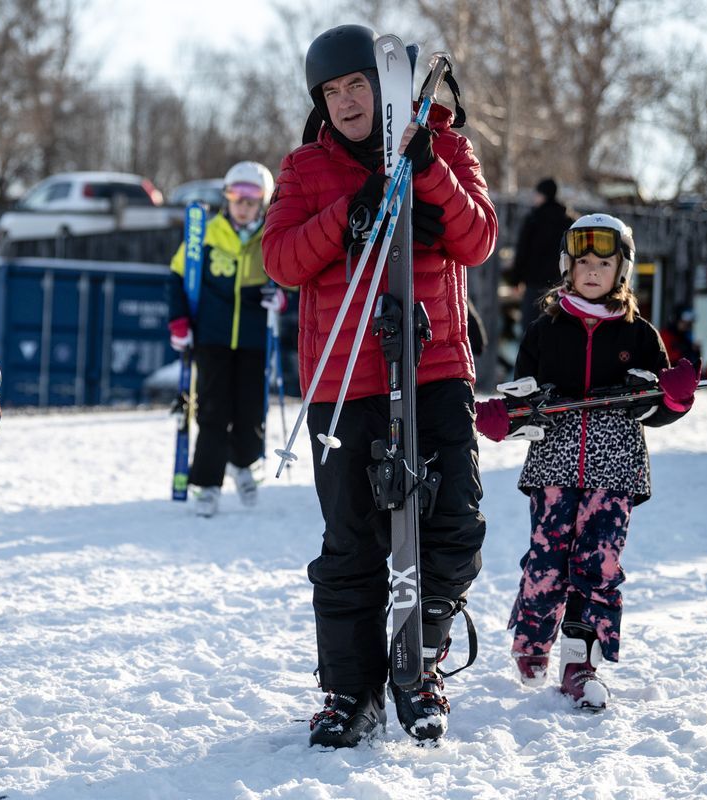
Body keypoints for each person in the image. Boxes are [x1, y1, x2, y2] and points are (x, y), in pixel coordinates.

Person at [262, 24, 497, 746]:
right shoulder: (304, 167)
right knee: (353, 541)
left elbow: (479, 238)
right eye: (330, 92)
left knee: (451, 524)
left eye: (357, 84)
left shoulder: (446, 146)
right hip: (345, 378)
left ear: (383, 84)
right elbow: (280, 260)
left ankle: (418, 664)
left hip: (434, 366)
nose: (346, 102)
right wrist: (347, 215)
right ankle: (348, 690)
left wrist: (428, 172)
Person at [475, 213, 698, 711]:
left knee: (596, 563)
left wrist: (675, 400)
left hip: (615, 466)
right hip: (554, 464)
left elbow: (656, 406)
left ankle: (581, 662)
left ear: (622, 269)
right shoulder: (544, 331)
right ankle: (533, 641)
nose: (592, 271)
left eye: (604, 262)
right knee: (547, 560)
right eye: (583, 263)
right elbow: (522, 401)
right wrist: (502, 419)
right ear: (566, 268)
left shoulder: (640, 335)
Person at [167, 160, 286, 518]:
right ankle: (206, 484)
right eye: (238, 198)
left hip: (252, 339)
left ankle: (245, 463)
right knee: (213, 411)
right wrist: (179, 323)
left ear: (263, 203)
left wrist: (281, 298)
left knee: (250, 410)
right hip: (213, 338)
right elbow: (176, 277)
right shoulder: (205, 234)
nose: (244, 207)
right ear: (227, 198)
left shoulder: (271, 237)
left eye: (252, 201)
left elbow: (291, 279)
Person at [511, 177, 575, 333]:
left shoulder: (534, 219)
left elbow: (522, 251)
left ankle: (530, 357)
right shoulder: (568, 221)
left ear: (543, 195)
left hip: (534, 283)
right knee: (556, 329)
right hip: (560, 284)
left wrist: (516, 279)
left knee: (530, 329)